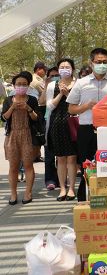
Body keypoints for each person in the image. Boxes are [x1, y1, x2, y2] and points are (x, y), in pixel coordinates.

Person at [67, 48, 107, 201]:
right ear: (91, 63)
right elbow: (71, 108)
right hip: (87, 129)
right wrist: (86, 106)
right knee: (87, 165)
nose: (102, 65)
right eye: (98, 62)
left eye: (105, 62)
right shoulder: (81, 83)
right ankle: (84, 198)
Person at [2, 71, 42, 204]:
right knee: (13, 167)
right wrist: (12, 107)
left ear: (28, 86)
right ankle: (13, 194)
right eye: (18, 84)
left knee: (28, 165)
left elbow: (36, 119)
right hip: (12, 136)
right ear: (13, 85)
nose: (21, 86)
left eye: (24, 84)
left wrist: (29, 109)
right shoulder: (8, 100)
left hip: (28, 136)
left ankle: (28, 192)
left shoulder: (32, 100)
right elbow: (4, 117)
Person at [44, 59, 78, 201]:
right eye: (62, 67)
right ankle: (62, 188)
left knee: (72, 157)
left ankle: (71, 188)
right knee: (61, 158)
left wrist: (67, 94)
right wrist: (60, 94)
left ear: (73, 69)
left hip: (73, 122)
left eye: (67, 67)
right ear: (58, 70)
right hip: (57, 123)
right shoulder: (52, 85)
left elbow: (79, 103)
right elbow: (49, 106)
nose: (65, 69)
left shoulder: (78, 83)